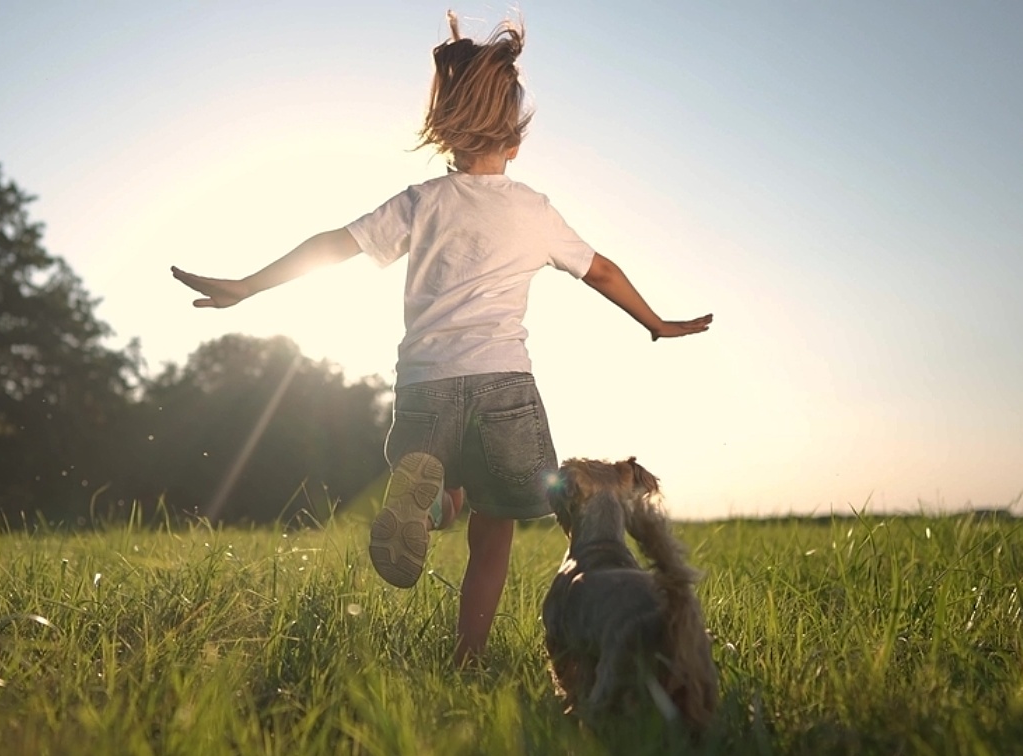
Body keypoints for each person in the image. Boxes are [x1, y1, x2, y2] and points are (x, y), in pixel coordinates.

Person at [171, 13, 712, 666]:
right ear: (514, 140)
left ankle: (432, 499)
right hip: (505, 386)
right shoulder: (533, 209)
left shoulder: (423, 201)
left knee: (440, 472)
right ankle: (467, 654)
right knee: (496, 532)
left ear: (447, 131)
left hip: (427, 383)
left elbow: (334, 244)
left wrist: (248, 286)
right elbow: (601, 270)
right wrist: (656, 322)